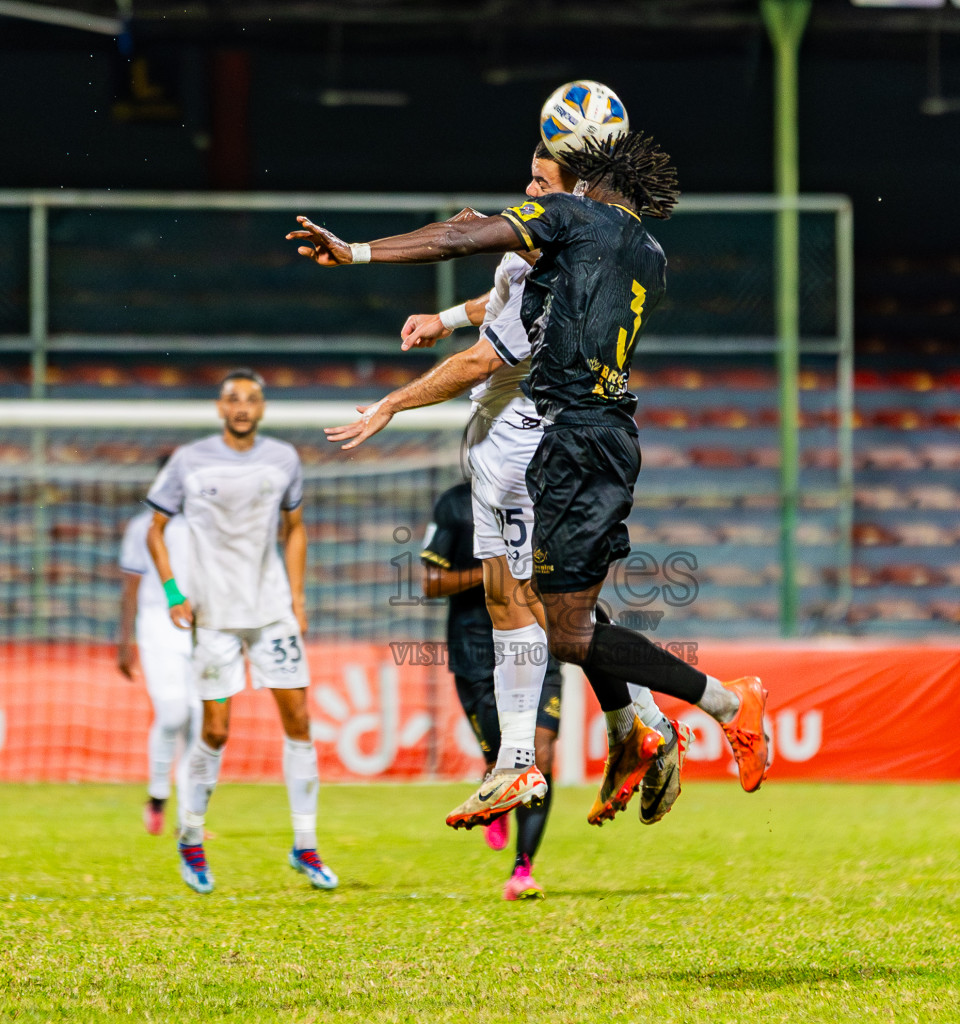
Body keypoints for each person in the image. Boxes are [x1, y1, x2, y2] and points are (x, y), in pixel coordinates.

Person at [294, 129, 766, 820]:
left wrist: (359, 254)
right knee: (551, 608)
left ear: (581, 189)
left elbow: (464, 258)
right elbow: (522, 292)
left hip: (557, 434)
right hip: (585, 436)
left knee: (548, 617)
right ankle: (628, 732)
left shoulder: (571, 220)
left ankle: (685, 712)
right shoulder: (642, 252)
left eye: (541, 184)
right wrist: (449, 314)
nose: (527, 196)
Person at [145, 368, 336, 895]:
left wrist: (297, 599)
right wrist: (173, 592)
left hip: (271, 611)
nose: (243, 406)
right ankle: (190, 837)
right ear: (220, 407)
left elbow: (295, 530)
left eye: (251, 398)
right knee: (215, 731)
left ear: (262, 408)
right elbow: (155, 531)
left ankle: (305, 844)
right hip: (214, 617)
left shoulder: (283, 459)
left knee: (299, 722)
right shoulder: (189, 460)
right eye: (233, 398)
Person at [421, 479, 564, 900]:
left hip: (536, 637)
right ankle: (497, 788)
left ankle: (523, 868)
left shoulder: (543, 494)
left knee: (540, 753)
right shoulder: (454, 503)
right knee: (501, 755)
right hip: (476, 649)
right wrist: (493, 573)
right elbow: (431, 582)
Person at [117, 462, 200, 835]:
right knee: (173, 713)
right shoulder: (142, 528)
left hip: (202, 626)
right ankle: (157, 795)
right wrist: (124, 641)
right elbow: (131, 585)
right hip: (157, 623)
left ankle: (189, 815)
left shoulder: (206, 526)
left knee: (200, 718)